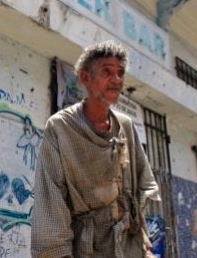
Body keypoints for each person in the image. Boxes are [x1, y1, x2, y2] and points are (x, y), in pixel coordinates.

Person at [31, 41, 160, 258]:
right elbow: (51, 201)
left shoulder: (125, 125)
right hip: (87, 249)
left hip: (128, 246)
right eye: (107, 72)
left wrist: (145, 247)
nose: (116, 80)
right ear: (85, 78)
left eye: (120, 73)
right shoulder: (61, 128)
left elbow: (137, 193)